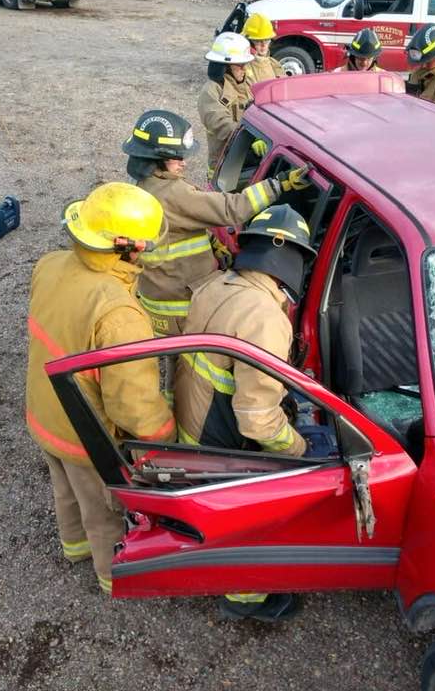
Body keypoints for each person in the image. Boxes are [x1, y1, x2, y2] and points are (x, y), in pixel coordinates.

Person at [26, 182, 175, 594]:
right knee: (102, 511)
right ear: (130, 247)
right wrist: (164, 439)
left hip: (44, 412)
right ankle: (114, 578)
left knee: (65, 489)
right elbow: (133, 405)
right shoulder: (118, 313)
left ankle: (72, 547)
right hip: (85, 437)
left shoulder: (51, 264)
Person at [175, 203, 317, 622]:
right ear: (291, 260)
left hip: (191, 422)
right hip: (222, 445)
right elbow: (256, 420)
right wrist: (300, 450)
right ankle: (246, 599)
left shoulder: (216, 283)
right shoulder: (266, 319)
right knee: (251, 520)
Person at [123, 109, 312, 336]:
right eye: (176, 157)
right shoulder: (171, 192)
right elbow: (231, 208)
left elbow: (178, 227)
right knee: (190, 362)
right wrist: (280, 184)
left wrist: (211, 240)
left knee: (177, 356)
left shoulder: (144, 186)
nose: (183, 163)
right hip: (182, 304)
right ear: (155, 159)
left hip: (161, 298)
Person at [198, 31, 255, 177]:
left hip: (248, 157)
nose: (245, 69)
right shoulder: (211, 91)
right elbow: (221, 123)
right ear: (225, 66)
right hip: (225, 163)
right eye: (240, 66)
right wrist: (251, 137)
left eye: (245, 65)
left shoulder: (249, 83)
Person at [242, 13, 287, 85]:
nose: (263, 45)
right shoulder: (243, 68)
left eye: (266, 40)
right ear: (249, 42)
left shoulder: (274, 64)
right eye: (258, 41)